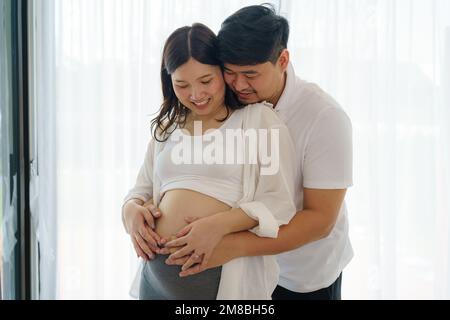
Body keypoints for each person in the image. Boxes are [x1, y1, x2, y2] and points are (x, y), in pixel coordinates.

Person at [161, 5, 353, 300]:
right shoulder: (236, 103)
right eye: (230, 72)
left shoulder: (324, 116)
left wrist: (231, 243)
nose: (238, 84)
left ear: (283, 60)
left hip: (302, 276)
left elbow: (320, 220)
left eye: (250, 74)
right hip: (245, 274)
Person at [121, 23, 297, 300]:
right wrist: (130, 213)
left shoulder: (258, 122)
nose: (196, 94)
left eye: (206, 81)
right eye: (182, 84)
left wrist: (219, 225)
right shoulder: (168, 129)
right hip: (153, 282)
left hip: (220, 284)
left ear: (223, 73)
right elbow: (140, 191)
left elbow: (279, 203)